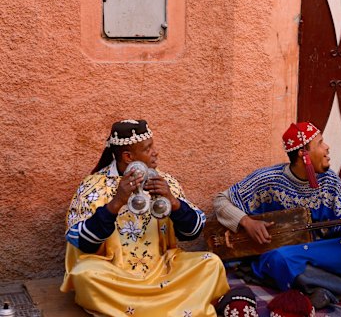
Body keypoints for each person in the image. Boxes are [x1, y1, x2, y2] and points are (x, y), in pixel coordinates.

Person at [213, 122, 341, 309]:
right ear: (303, 153)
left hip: (322, 251)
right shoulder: (267, 179)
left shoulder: (330, 180)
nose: (327, 147)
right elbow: (220, 201)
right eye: (320, 143)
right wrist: (247, 222)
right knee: (281, 259)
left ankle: (323, 286)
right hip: (288, 255)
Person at [60, 119, 230, 316]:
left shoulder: (164, 182)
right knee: (84, 274)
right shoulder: (94, 186)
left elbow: (193, 232)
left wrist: (173, 203)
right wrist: (116, 203)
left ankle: (139, 309)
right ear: (128, 156)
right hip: (115, 274)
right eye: (148, 148)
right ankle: (171, 308)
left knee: (211, 264)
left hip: (163, 271)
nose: (155, 152)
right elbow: (81, 242)